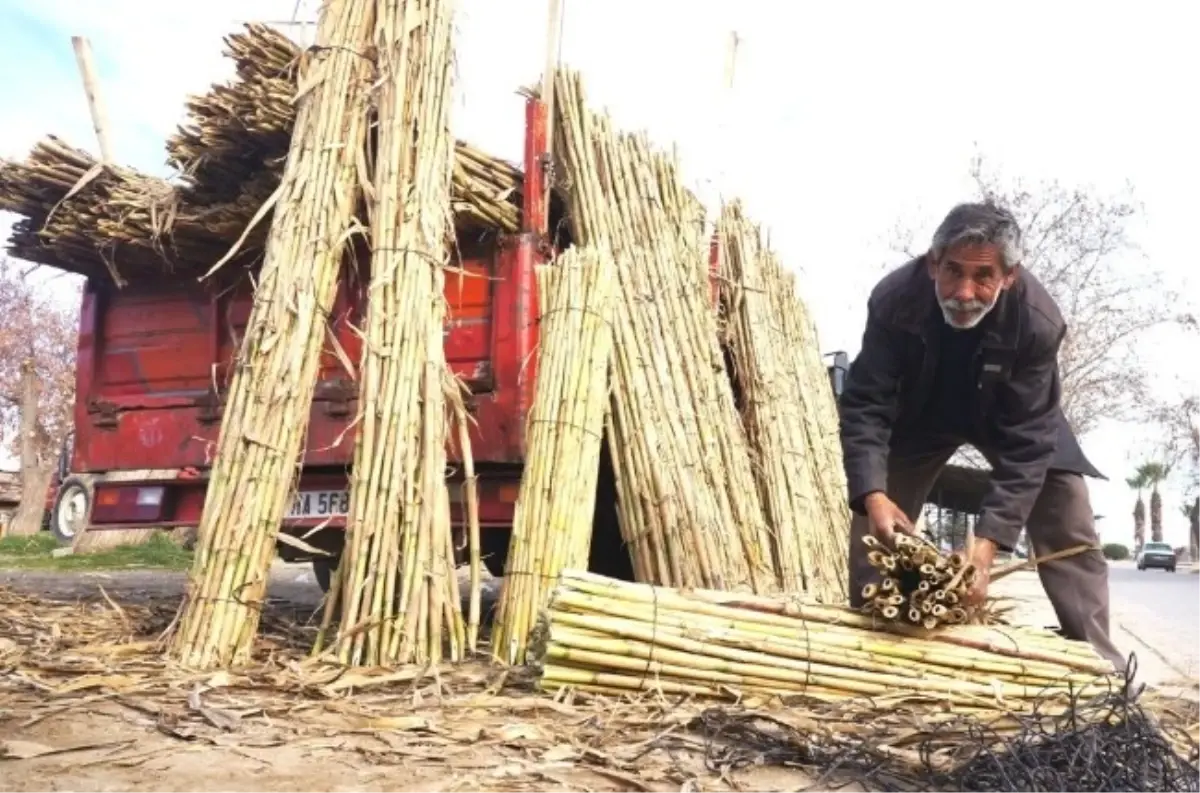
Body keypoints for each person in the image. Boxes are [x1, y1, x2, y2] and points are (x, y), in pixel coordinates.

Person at [838, 201, 1125, 671]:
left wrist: (989, 543)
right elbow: (866, 403)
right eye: (952, 271)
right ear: (934, 263)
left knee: (1066, 504)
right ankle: (874, 645)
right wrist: (872, 494)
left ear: (1009, 276)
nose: (964, 292)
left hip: (1008, 416)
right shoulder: (895, 300)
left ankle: (1099, 664)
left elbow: (1030, 442)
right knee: (876, 514)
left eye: (983, 276)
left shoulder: (1038, 321)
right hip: (921, 413)